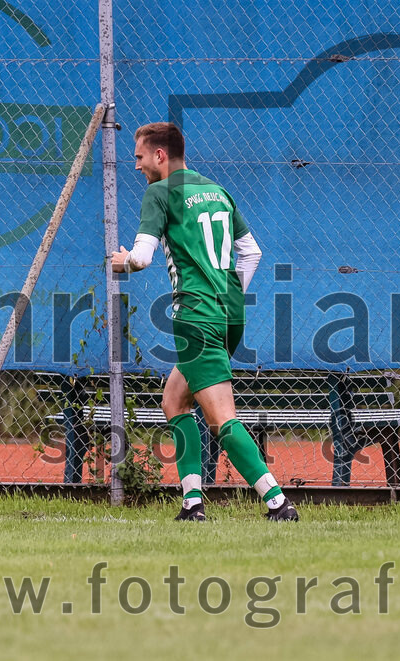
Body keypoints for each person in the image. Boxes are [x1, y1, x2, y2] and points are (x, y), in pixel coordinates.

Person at [110, 122, 298, 522]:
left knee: (221, 418)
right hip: (228, 315)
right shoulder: (216, 191)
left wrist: (121, 261)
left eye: (139, 157)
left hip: (196, 317)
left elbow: (141, 258)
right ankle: (192, 503)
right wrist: (225, 293)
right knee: (174, 400)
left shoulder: (159, 193)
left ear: (160, 155)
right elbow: (252, 253)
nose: (138, 166)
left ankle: (278, 502)